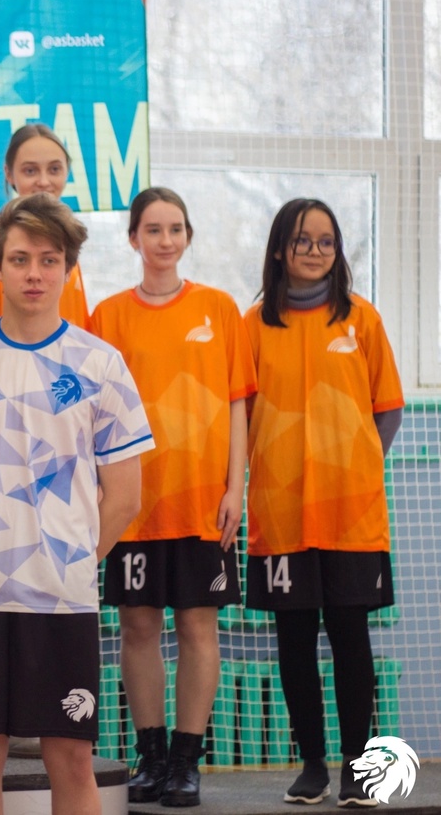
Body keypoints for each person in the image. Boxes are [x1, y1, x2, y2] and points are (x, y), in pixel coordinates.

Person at [0, 192, 151, 815]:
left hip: (61, 596)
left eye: (49, 260)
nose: (34, 273)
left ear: (68, 269)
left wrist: (72, 559)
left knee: (71, 760)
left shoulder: (101, 364)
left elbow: (125, 496)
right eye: (20, 259)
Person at [90, 187, 256, 806]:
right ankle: (151, 757)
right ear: (133, 238)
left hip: (201, 502)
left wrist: (236, 486)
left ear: (188, 237)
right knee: (137, 626)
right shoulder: (107, 316)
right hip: (133, 504)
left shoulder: (219, 308)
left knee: (197, 625)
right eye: (153, 230)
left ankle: (187, 761)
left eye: (175, 229)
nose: (165, 240)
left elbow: (237, 403)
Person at [244, 199, 403, 808]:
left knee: (350, 637)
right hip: (281, 515)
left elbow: (387, 409)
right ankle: (312, 765)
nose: (315, 251)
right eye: (302, 240)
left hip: (351, 517)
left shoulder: (363, 319)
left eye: (326, 241)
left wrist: (355, 469)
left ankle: (359, 769)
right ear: (279, 249)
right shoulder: (253, 324)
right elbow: (241, 416)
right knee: (293, 641)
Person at [0, 123, 90, 329]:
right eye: (30, 171)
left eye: (54, 169)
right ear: (9, 174)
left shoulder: (67, 240)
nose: (44, 181)